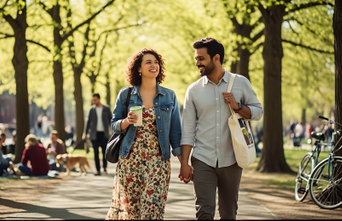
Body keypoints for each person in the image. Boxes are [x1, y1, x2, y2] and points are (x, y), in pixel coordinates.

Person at [179, 37, 263, 220]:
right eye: (196, 59)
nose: (197, 63)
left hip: (232, 160)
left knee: (228, 212)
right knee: (204, 211)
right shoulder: (193, 90)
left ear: (216, 58)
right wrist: (184, 163)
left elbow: (258, 112)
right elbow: (188, 129)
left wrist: (238, 106)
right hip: (203, 159)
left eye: (201, 58)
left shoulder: (241, 83)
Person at [106, 48, 182, 220]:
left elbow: (176, 131)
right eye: (148, 62)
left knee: (152, 207)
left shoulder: (169, 96)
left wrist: (183, 162)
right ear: (138, 69)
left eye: (156, 62)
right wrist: (126, 122)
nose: (153, 65)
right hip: (130, 160)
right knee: (131, 210)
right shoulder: (126, 94)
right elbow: (114, 124)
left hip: (158, 160)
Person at [82, 93, 112, 176]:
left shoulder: (106, 108)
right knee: (95, 152)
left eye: (95, 100)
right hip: (94, 134)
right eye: (93, 100)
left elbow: (111, 120)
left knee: (104, 151)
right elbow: (87, 123)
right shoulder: (92, 110)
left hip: (104, 134)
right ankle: (98, 170)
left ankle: (105, 167)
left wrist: (113, 130)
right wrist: (85, 133)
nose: (94, 101)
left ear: (99, 99)